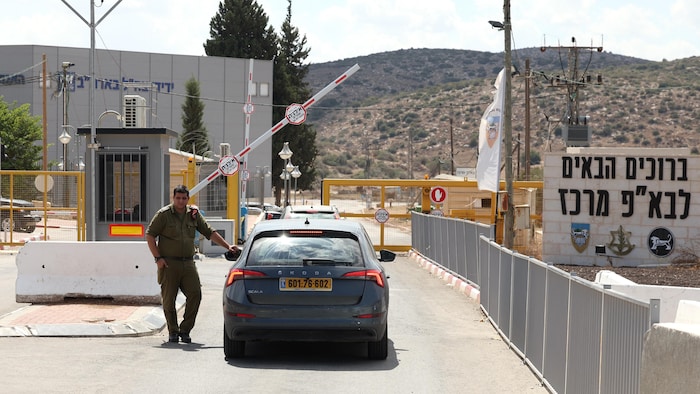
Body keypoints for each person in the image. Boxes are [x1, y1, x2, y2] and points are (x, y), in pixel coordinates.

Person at [146, 184, 239, 344]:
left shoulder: (193, 215)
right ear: (173, 198)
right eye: (177, 198)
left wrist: (228, 246)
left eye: (183, 198)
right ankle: (173, 331)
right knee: (169, 300)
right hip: (169, 264)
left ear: (188, 199)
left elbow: (209, 232)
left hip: (188, 263)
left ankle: (185, 330)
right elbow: (150, 235)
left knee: (195, 294)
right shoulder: (164, 215)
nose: (180, 201)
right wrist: (158, 258)